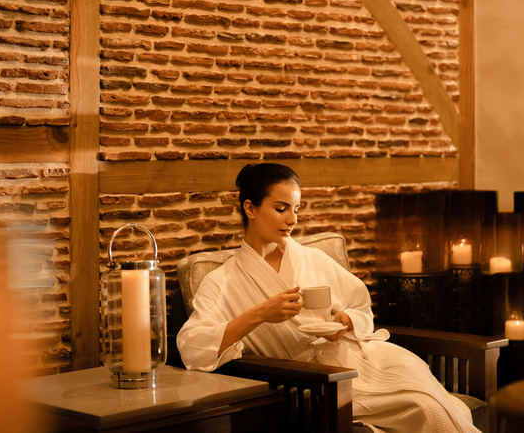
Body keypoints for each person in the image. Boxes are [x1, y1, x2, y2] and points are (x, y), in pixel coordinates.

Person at [177, 163, 480, 433]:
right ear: (250, 208)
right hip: (318, 381)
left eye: (297, 209)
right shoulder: (222, 280)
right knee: (424, 408)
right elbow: (192, 346)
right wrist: (259, 314)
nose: (292, 219)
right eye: (281, 208)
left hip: (364, 357)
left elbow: (359, 304)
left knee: (436, 399)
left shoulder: (313, 259)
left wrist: (345, 321)